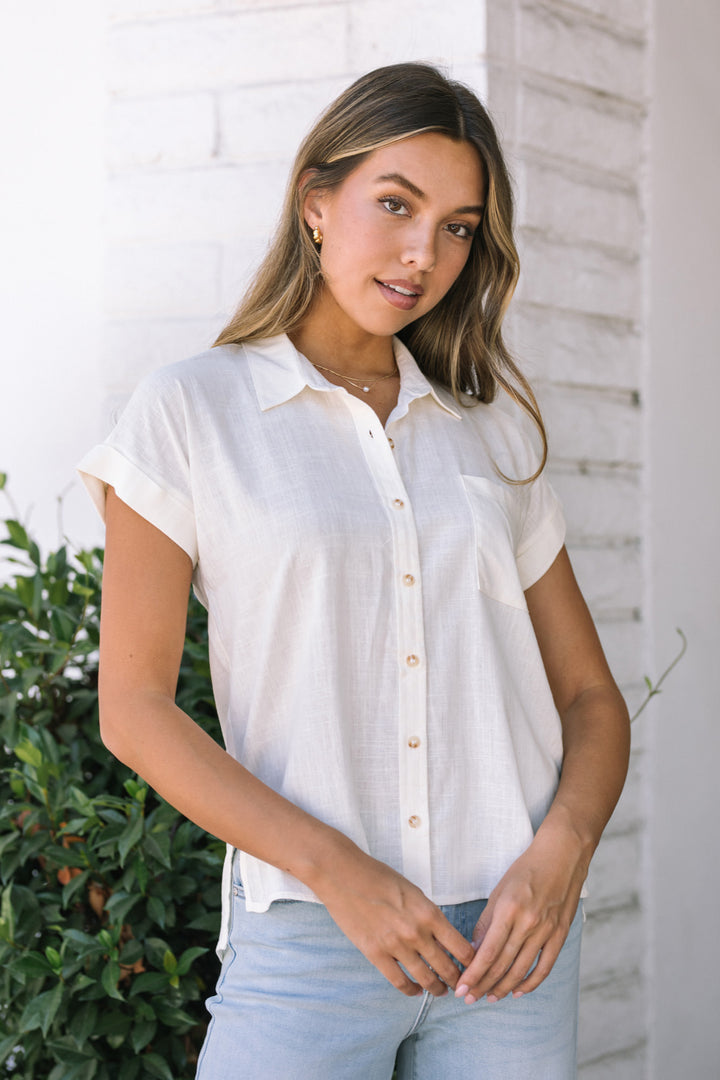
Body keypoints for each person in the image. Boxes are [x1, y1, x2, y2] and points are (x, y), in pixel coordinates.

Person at [78, 62, 630, 1079]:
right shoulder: (191, 410)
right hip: (313, 939)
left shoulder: (490, 428)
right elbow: (134, 707)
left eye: (460, 226)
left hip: (513, 953)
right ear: (315, 203)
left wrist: (562, 857)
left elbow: (592, 695)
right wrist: (339, 873)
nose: (425, 253)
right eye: (396, 204)